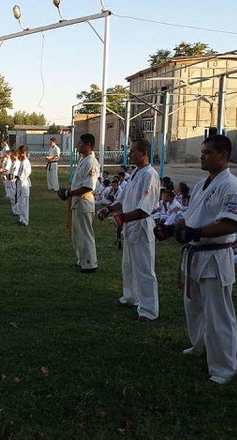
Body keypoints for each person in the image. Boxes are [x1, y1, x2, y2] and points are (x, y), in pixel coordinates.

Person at [174, 134, 237, 385]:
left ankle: (224, 368)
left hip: (215, 255)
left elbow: (229, 224)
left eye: (208, 153)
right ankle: (199, 345)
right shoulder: (201, 184)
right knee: (193, 306)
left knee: (218, 314)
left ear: (223, 156)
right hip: (195, 252)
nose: (202, 156)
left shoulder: (232, 186)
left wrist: (195, 232)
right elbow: (193, 217)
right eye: (202, 152)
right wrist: (177, 228)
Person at [98, 139, 160, 322]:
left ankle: (148, 310)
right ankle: (130, 296)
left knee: (145, 269)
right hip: (130, 225)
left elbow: (144, 208)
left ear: (144, 153)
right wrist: (109, 209)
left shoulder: (150, 175)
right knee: (128, 265)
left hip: (142, 225)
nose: (129, 154)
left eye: (133, 151)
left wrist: (122, 218)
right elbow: (123, 198)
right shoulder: (135, 173)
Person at [57, 133, 100, 273]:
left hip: (84, 201)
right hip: (77, 201)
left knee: (85, 234)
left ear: (88, 145)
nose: (78, 146)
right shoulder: (83, 159)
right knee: (77, 234)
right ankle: (82, 260)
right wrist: (68, 192)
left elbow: (88, 186)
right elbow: (79, 182)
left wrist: (69, 193)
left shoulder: (91, 162)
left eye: (80, 144)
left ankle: (90, 263)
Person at [16, 145, 32, 226]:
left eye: (19, 152)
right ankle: (21, 219)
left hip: (24, 184)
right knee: (20, 202)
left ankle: (25, 221)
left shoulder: (26, 162)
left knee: (24, 203)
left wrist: (16, 177)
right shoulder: (22, 162)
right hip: (20, 184)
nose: (18, 154)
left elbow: (24, 174)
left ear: (23, 153)